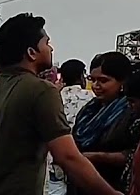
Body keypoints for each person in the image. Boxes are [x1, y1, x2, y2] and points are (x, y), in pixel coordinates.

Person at [0, 13, 122, 195]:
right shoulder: (41, 90)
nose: (51, 48)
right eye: (46, 43)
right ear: (31, 53)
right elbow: (67, 156)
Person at [71, 52, 137, 194]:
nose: (96, 86)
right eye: (93, 80)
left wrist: (98, 157)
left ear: (123, 82)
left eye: (103, 80)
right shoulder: (89, 109)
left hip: (113, 186)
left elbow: (135, 154)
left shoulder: (131, 111)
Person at [48, 59, 97, 195]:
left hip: (55, 161)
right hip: (83, 159)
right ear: (81, 76)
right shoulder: (91, 99)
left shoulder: (53, 97)